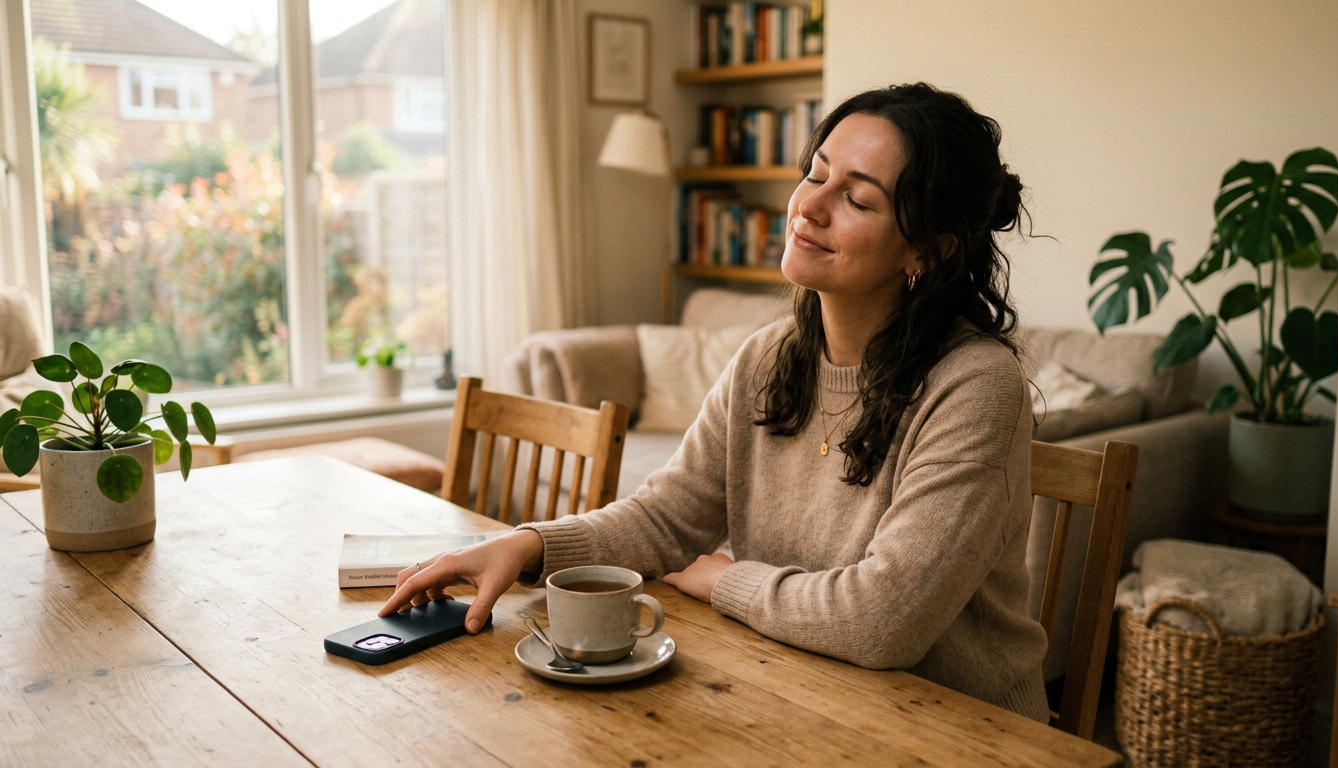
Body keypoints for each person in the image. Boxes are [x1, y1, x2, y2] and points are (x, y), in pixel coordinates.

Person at [381, 82, 1050, 723]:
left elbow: (882, 622)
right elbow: (667, 519)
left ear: (928, 251)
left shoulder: (976, 385)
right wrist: (525, 546)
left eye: (857, 198)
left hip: (959, 729)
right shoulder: (769, 356)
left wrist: (727, 581)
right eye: (815, 174)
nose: (809, 208)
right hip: (796, 688)